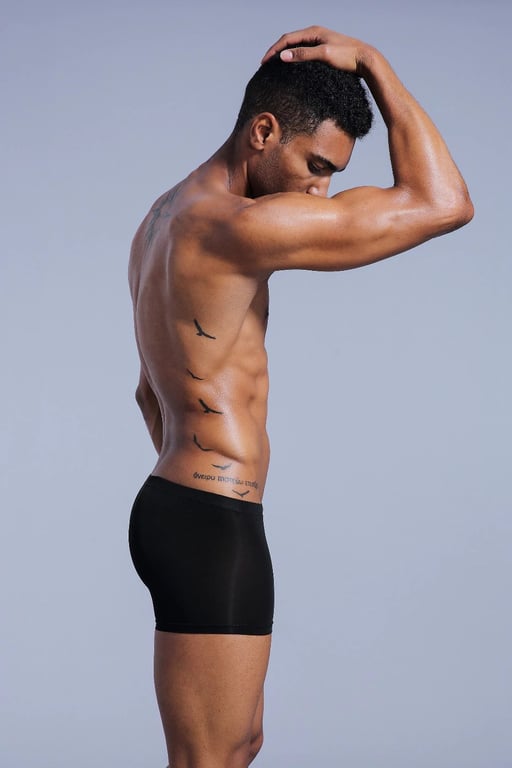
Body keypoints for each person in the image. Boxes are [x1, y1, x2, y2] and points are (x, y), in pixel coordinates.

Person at [128, 25, 473, 768]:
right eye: (315, 167)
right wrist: (374, 62)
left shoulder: (162, 218)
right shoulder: (236, 228)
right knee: (210, 758)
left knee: (240, 744)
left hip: (190, 510)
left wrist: (195, 474)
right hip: (209, 521)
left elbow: (149, 392)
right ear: (263, 132)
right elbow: (443, 201)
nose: (320, 192)